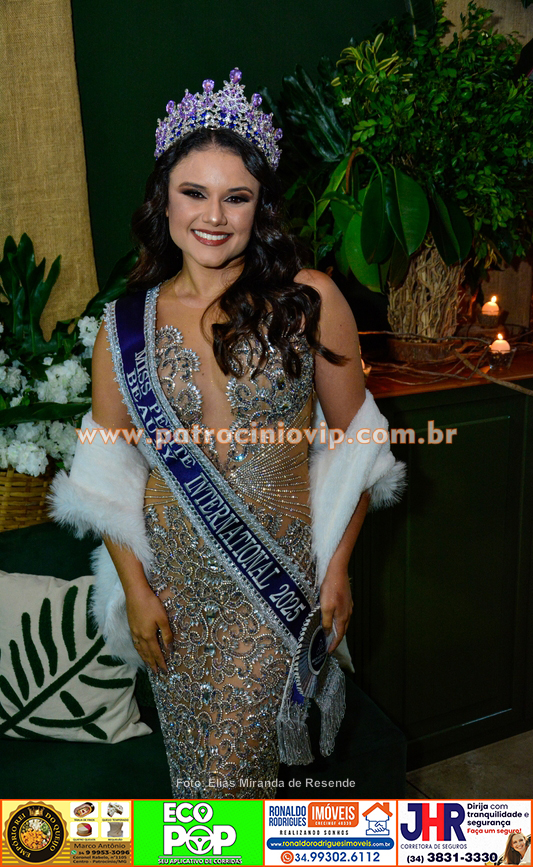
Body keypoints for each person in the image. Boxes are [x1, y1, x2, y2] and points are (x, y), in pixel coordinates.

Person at [50, 69, 405, 798]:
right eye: (194, 192)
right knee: (200, 782)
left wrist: (338, 568)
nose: (213, 215)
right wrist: (135, 590)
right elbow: (107, 475)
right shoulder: (124, 325)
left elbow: (360, 447)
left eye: (236, 197)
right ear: (164, 200)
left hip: (275, 581)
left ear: (259, 207)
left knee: (225, 783)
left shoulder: (310, 301)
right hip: (172, 596)